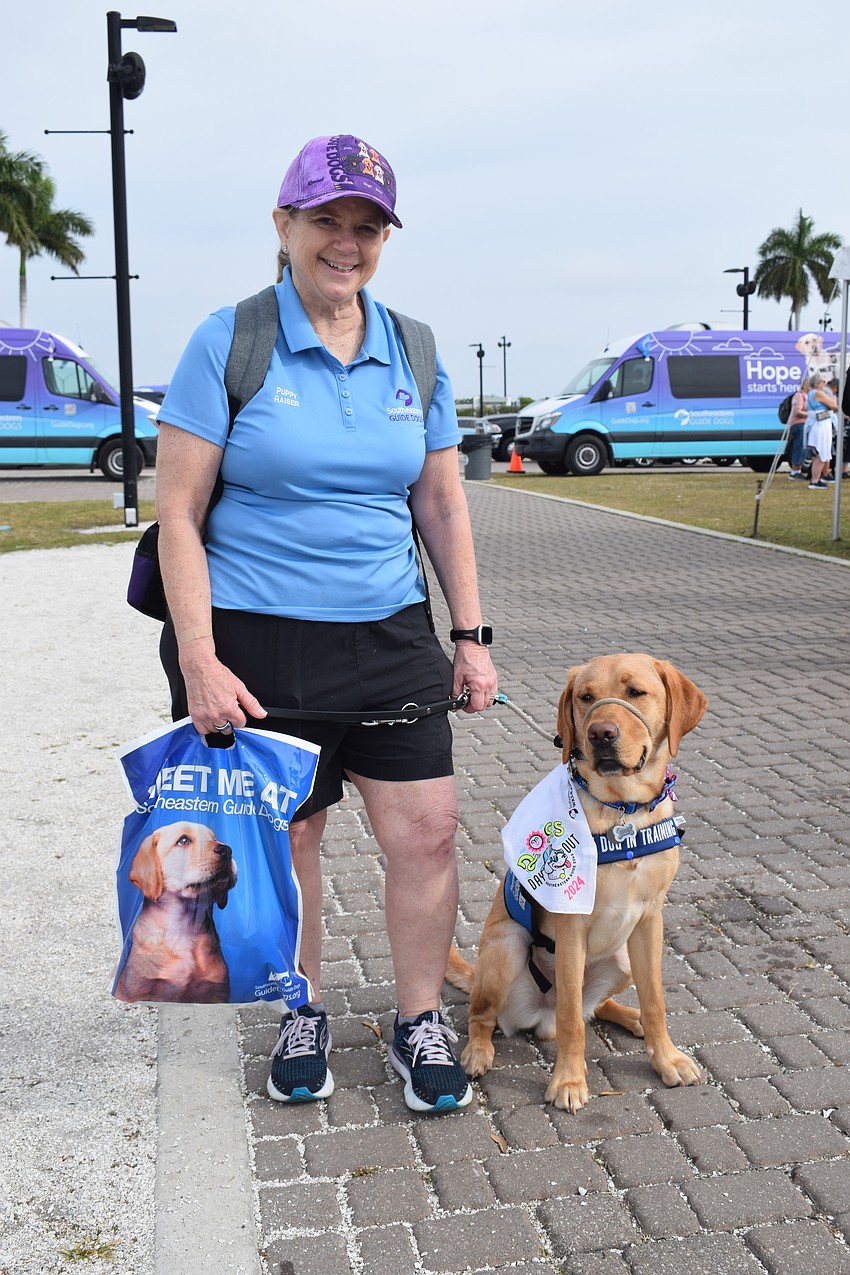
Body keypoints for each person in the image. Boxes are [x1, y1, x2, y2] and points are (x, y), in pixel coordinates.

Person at [154, 134, 498, 1114]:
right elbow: (178, 510)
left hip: (388, 635)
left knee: (428, 835)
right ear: (285, 224)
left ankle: (418, 1019)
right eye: (327, 222)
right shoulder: (230, 341)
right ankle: (299, 1010)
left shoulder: (414, 348)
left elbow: (441, 505)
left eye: (366, 226)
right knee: (291, 840)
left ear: (383, 238)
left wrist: (469, 638)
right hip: (261, 641)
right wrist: (200, 660)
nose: (345, 243)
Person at [805, 371, 837, 488]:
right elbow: (834, 405)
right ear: (818, 383)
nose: (824, 383)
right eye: (823, 381)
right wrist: (833, 400)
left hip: (818, 423)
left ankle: (815, 479)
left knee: (819, 453)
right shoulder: (818, 393)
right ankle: (815, 480)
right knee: (822, 452)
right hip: (822, 424)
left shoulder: (810, 393)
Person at [787, 377, 810, 479]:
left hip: (806, 425)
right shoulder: (799, 396)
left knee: (804, 448)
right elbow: (798, 411)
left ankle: (799, 469)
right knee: (799, 446)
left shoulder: (809, 396)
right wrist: (810, 414)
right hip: (799, 424)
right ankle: (794, 470)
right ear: (804, 385)